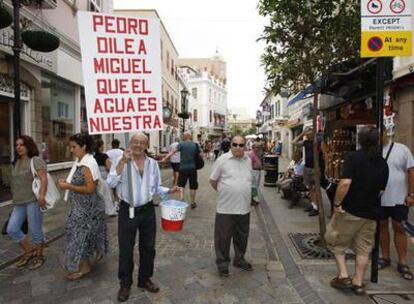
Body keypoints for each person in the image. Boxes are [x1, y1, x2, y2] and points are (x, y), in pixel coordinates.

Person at [107, 133, 178, 302]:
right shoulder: (121, 161)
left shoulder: (153, 164)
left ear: (146, 145)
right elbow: (110, 183)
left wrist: (169, 190)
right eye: (135, 142)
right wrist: (123, 162)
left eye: (142, 142)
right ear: (130, 144)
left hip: (147, 210)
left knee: (148, 247)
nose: (138, 145)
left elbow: (155, 187)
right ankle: (125, 283)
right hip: (127, 209)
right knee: (126, 248)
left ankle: (144, 279)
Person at [325, 126, 389, 296]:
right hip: (370, 213)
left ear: (359, 139)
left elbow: (345, 183)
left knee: (336, 241)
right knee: (364, 249)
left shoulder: (353, 157)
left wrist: (337, 203)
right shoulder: (383, 163)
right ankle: (358, 282)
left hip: (350, 211)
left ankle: (344, 275)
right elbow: (382, 190)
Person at [58, 133, 108, 281]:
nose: (71, 150)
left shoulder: (87, 164)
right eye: (70, 146)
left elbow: (90, 188)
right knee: (86, 233)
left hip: (87, 208)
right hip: (81, 206)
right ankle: (97, 251)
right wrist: (68, 182)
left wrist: (69, 186)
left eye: (74, 147)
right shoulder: (80, 161)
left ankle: (85, 267)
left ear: (84, 146)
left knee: (79, 235)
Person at [210, 135, 254, 277]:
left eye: (241, 145)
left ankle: (239, 259)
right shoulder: (222, 160)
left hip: (243, 207)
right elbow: (213, 180)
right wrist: (224, 191)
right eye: (235, 144)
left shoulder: (248, 160)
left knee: (242, 236)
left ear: (245, 146)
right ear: (231, 145)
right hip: (226, 207)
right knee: (223, 237)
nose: (238, 147)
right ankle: (223, 264)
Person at [7, 135, 48, 270]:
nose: (18, 147)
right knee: (12, 229)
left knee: (35, 230)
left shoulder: (35, 160)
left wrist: (41, 196)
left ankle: (39, 256)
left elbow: (43, 179)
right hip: (19, 202)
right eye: (17, 145)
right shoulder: (16, 162)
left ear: (28, 146)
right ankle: (29, 252)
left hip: (33, 201)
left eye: (21, 145)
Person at [378, 133, 414, 280]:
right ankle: (385, 257)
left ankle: (403, 261)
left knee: (399, 227)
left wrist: (411, 194)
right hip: (380, 199)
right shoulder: (373, 151)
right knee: (382, 226)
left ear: (385, 134)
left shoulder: (402, 149)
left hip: (399, 197)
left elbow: (411, 171)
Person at [161, 132, 201, 209]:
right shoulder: (195, 145)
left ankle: (182, 199)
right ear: (190, 136)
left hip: (182, 168)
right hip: (193, 168)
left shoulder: (181, 144)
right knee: (193, 186)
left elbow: (172, 152)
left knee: (181, 185)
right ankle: (192, 202)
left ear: (185, 137)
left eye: (183, 136)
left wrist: (165, 158)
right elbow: (199, 154)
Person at [94, 139, 117, 216]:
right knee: (107, 195)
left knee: (97, 194)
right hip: (104, 177)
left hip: (95, 176)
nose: (103, 147)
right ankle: (110, 211)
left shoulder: (93, 156)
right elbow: (108, 167)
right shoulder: (104, 156)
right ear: (100, 147)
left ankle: (96, 210)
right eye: (103, 145)